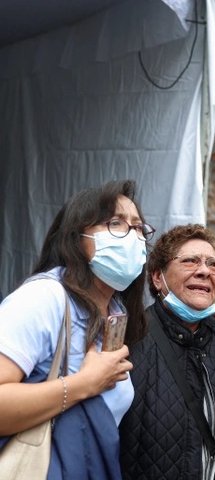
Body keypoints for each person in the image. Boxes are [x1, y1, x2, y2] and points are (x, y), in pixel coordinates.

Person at [0, 180, 151, 476]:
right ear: (76, 237)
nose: (133, 237)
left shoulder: (117, 313)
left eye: (138, 228)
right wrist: (84, 384)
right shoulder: (44, 297)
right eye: (115, 223)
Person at [118, 224, 215, 480]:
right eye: (190, 261)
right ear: (157, 277)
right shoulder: (130, 337)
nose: (204, 271)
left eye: (213, 264)